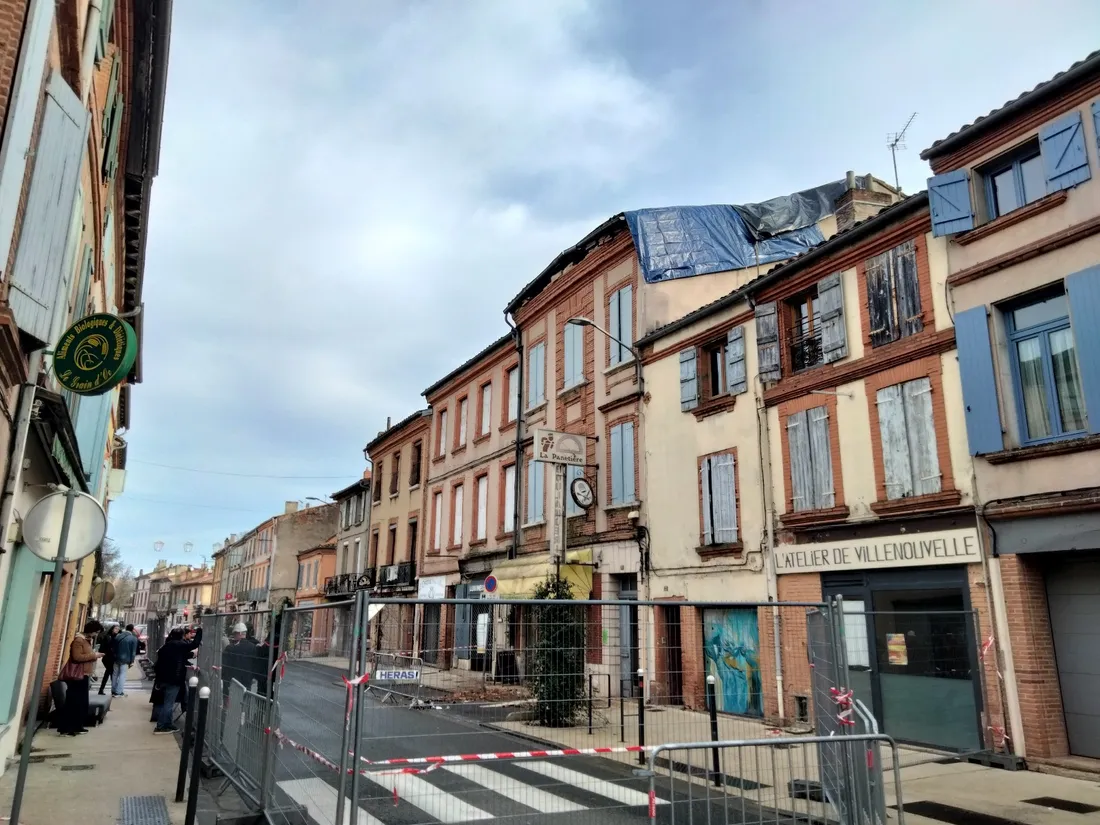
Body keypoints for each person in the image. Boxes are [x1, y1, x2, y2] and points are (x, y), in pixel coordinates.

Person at [57, 621, 104, 736]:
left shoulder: (86, 641)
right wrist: (94, 655)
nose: (96, 635)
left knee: (81, 702)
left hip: (83, 674)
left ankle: (77, 726)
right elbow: (76, 657)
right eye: (96, 632)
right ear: (91, 630)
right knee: (74, 702)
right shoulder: (79, 640)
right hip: (77, 676)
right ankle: (68, 727)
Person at [152, 628, 196, 734]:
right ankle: (161, 726)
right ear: (181, 636)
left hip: (163, 678)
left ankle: (168, 724)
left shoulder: (166, 646)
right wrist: (199, 632)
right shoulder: (179, 645)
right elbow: (194, 645)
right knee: (168, 703)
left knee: (167, 702)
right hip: (173, 679)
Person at [111, 624, 139, 696]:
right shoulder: (133, 638)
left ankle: (113, 689)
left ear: (126, 628)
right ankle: (119, 691)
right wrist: (132, 661)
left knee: (115, 674)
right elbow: (133, 651)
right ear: (132, 630)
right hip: (126, 659)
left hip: (116, 658)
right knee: (122, 675)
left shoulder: (118, 636)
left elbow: (113, 647)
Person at [97, 625, 120, 696]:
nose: (117, 630)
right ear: (112, 629)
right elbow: (103, 646)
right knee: (109, 673)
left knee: (110, 673)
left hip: (112, 658)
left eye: (118, 629)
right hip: (107, 657)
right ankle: (111, 690)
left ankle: (105, 689)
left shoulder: (117, 637)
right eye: (115, 628)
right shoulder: (108, 636)